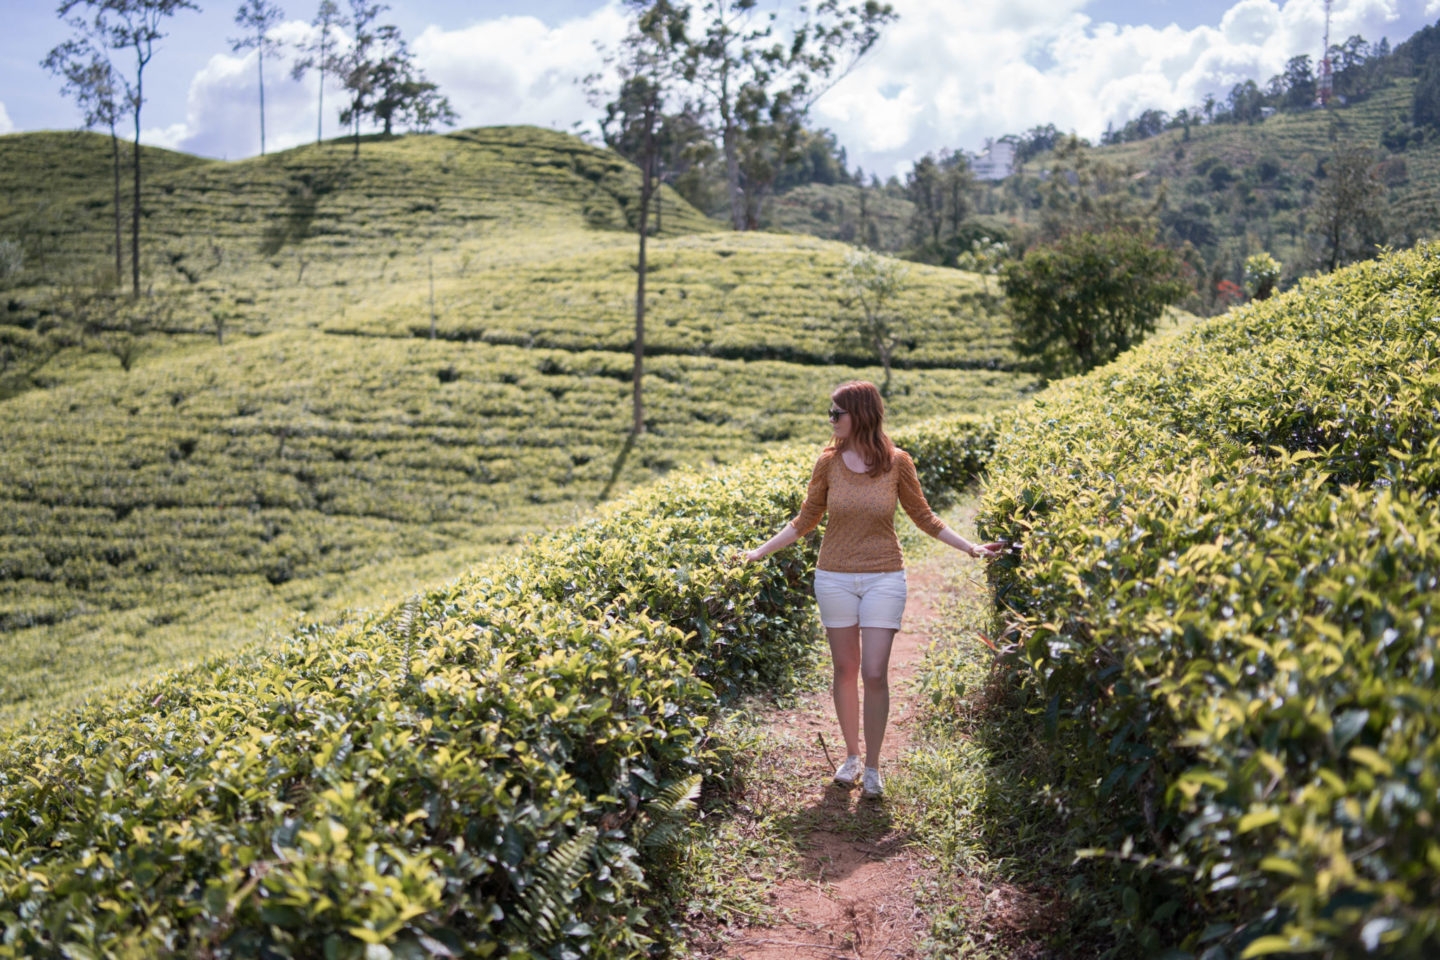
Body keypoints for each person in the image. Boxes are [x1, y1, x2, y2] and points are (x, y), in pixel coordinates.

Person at [743, 381, 1002, 798]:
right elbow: (807, 517)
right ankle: (850, 756)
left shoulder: (898, 463)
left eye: (836, 413)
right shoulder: (827, 462)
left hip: (884, 575)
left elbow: (924, 516)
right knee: (845, 669)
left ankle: (874, 767)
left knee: (875, 671)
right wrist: (760, 552)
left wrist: (970, 547)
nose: (830, 421)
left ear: (859, 414)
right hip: (834, 576)